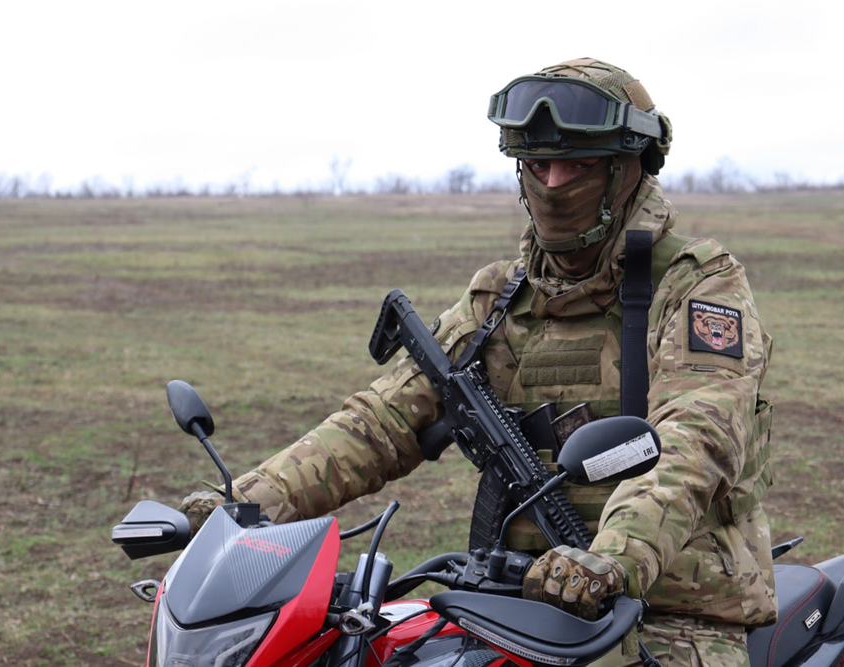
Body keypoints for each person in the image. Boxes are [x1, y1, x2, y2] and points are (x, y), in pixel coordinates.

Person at [179, 57, 776, 665]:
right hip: (516, 601)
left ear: (627, 171)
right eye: (537, 165)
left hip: (671, 611)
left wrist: (613, 558)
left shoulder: (696, 286)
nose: (552, 183)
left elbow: (695, 439)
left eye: (576, 165)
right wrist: (245, 504)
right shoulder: (499, 298)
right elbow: (383, 420)